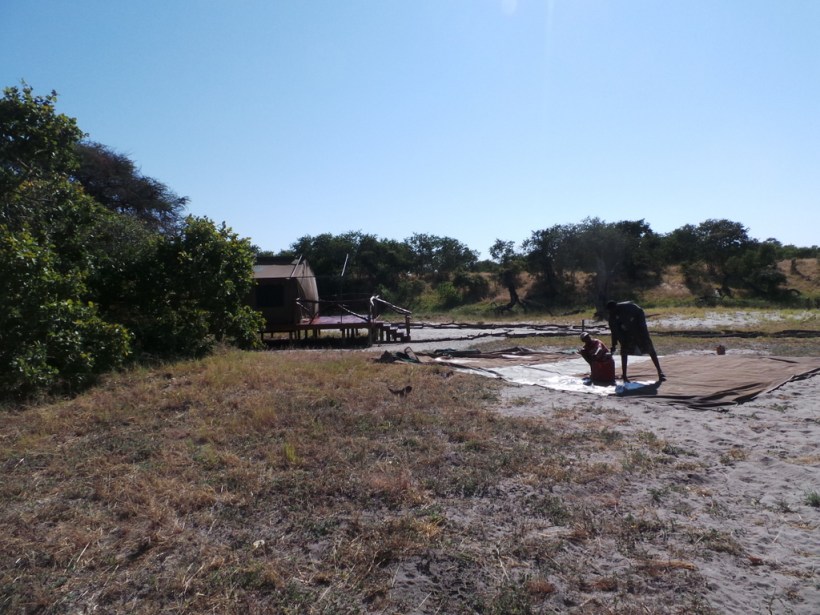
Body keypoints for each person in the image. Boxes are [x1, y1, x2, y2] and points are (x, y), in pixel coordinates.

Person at [605, 300, 666, 382]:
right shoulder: (612, 317)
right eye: (610, 311)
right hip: (627, 332)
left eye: (612, 310)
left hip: (638, 324)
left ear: (616, 307)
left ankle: (660, 372)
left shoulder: (629, 308)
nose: (611, 312)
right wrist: (614, 345)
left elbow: (639, 318)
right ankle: (624, 376)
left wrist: (642, 333)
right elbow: (614, 331)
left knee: (650, 349)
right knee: (624, 351)